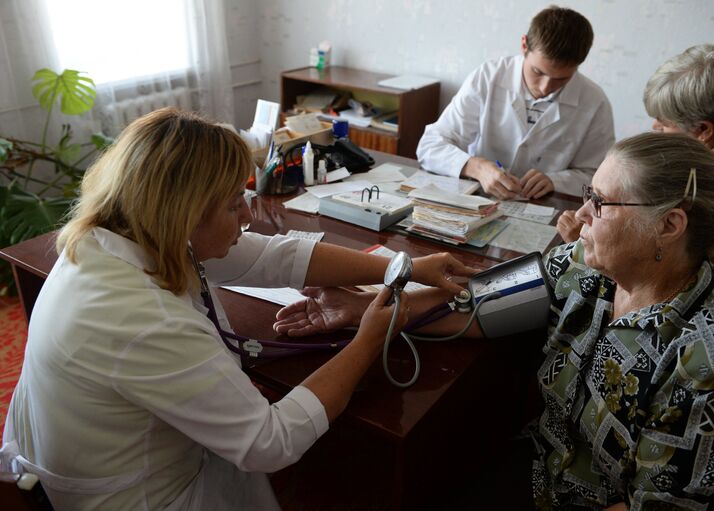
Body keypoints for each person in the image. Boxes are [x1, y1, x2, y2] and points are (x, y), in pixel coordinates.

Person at [0, 108, 479, 510]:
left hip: (85, 449)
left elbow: (273, 255)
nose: (248, 215)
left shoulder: (116, 233)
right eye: (234, 205)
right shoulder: (141, 318)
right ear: (182, 214)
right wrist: (369, 338)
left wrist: (404, 265)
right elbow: (269, 443)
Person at [275, 132, 714, 509]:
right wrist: (364, 310)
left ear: (669, 225)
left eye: (601, 201)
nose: (582, 212)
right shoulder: (586, 267)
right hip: (544, 472)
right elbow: (479, 301)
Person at [558, 44, 714, 327]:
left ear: (703, 130)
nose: (654, 127)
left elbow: (668, 280)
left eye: (665, 126)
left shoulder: (708, 193)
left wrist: (581, 244)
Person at [416, 6, 614, 200]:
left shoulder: (594, 102)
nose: (545, 87)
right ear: (524, 45)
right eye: (538, 72)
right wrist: (476, 167)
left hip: (546, 206)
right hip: (477, 199)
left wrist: (557, 181)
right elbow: (430, 146)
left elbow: (598, 177)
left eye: (560, 79)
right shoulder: (488, 77)